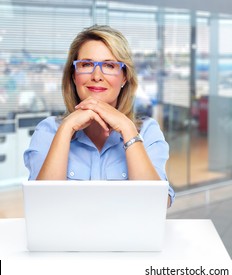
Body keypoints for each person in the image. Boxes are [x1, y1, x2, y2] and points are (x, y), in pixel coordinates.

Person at [23, 25, 175, 207]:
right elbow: (41, 207)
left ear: (124, 77)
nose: (97, 76)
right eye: (86, 65)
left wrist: (127, 128)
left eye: (109, 65)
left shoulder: (147, 131)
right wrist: (65, 130)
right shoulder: (48, 130)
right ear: (73, 76)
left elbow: (157, 205)